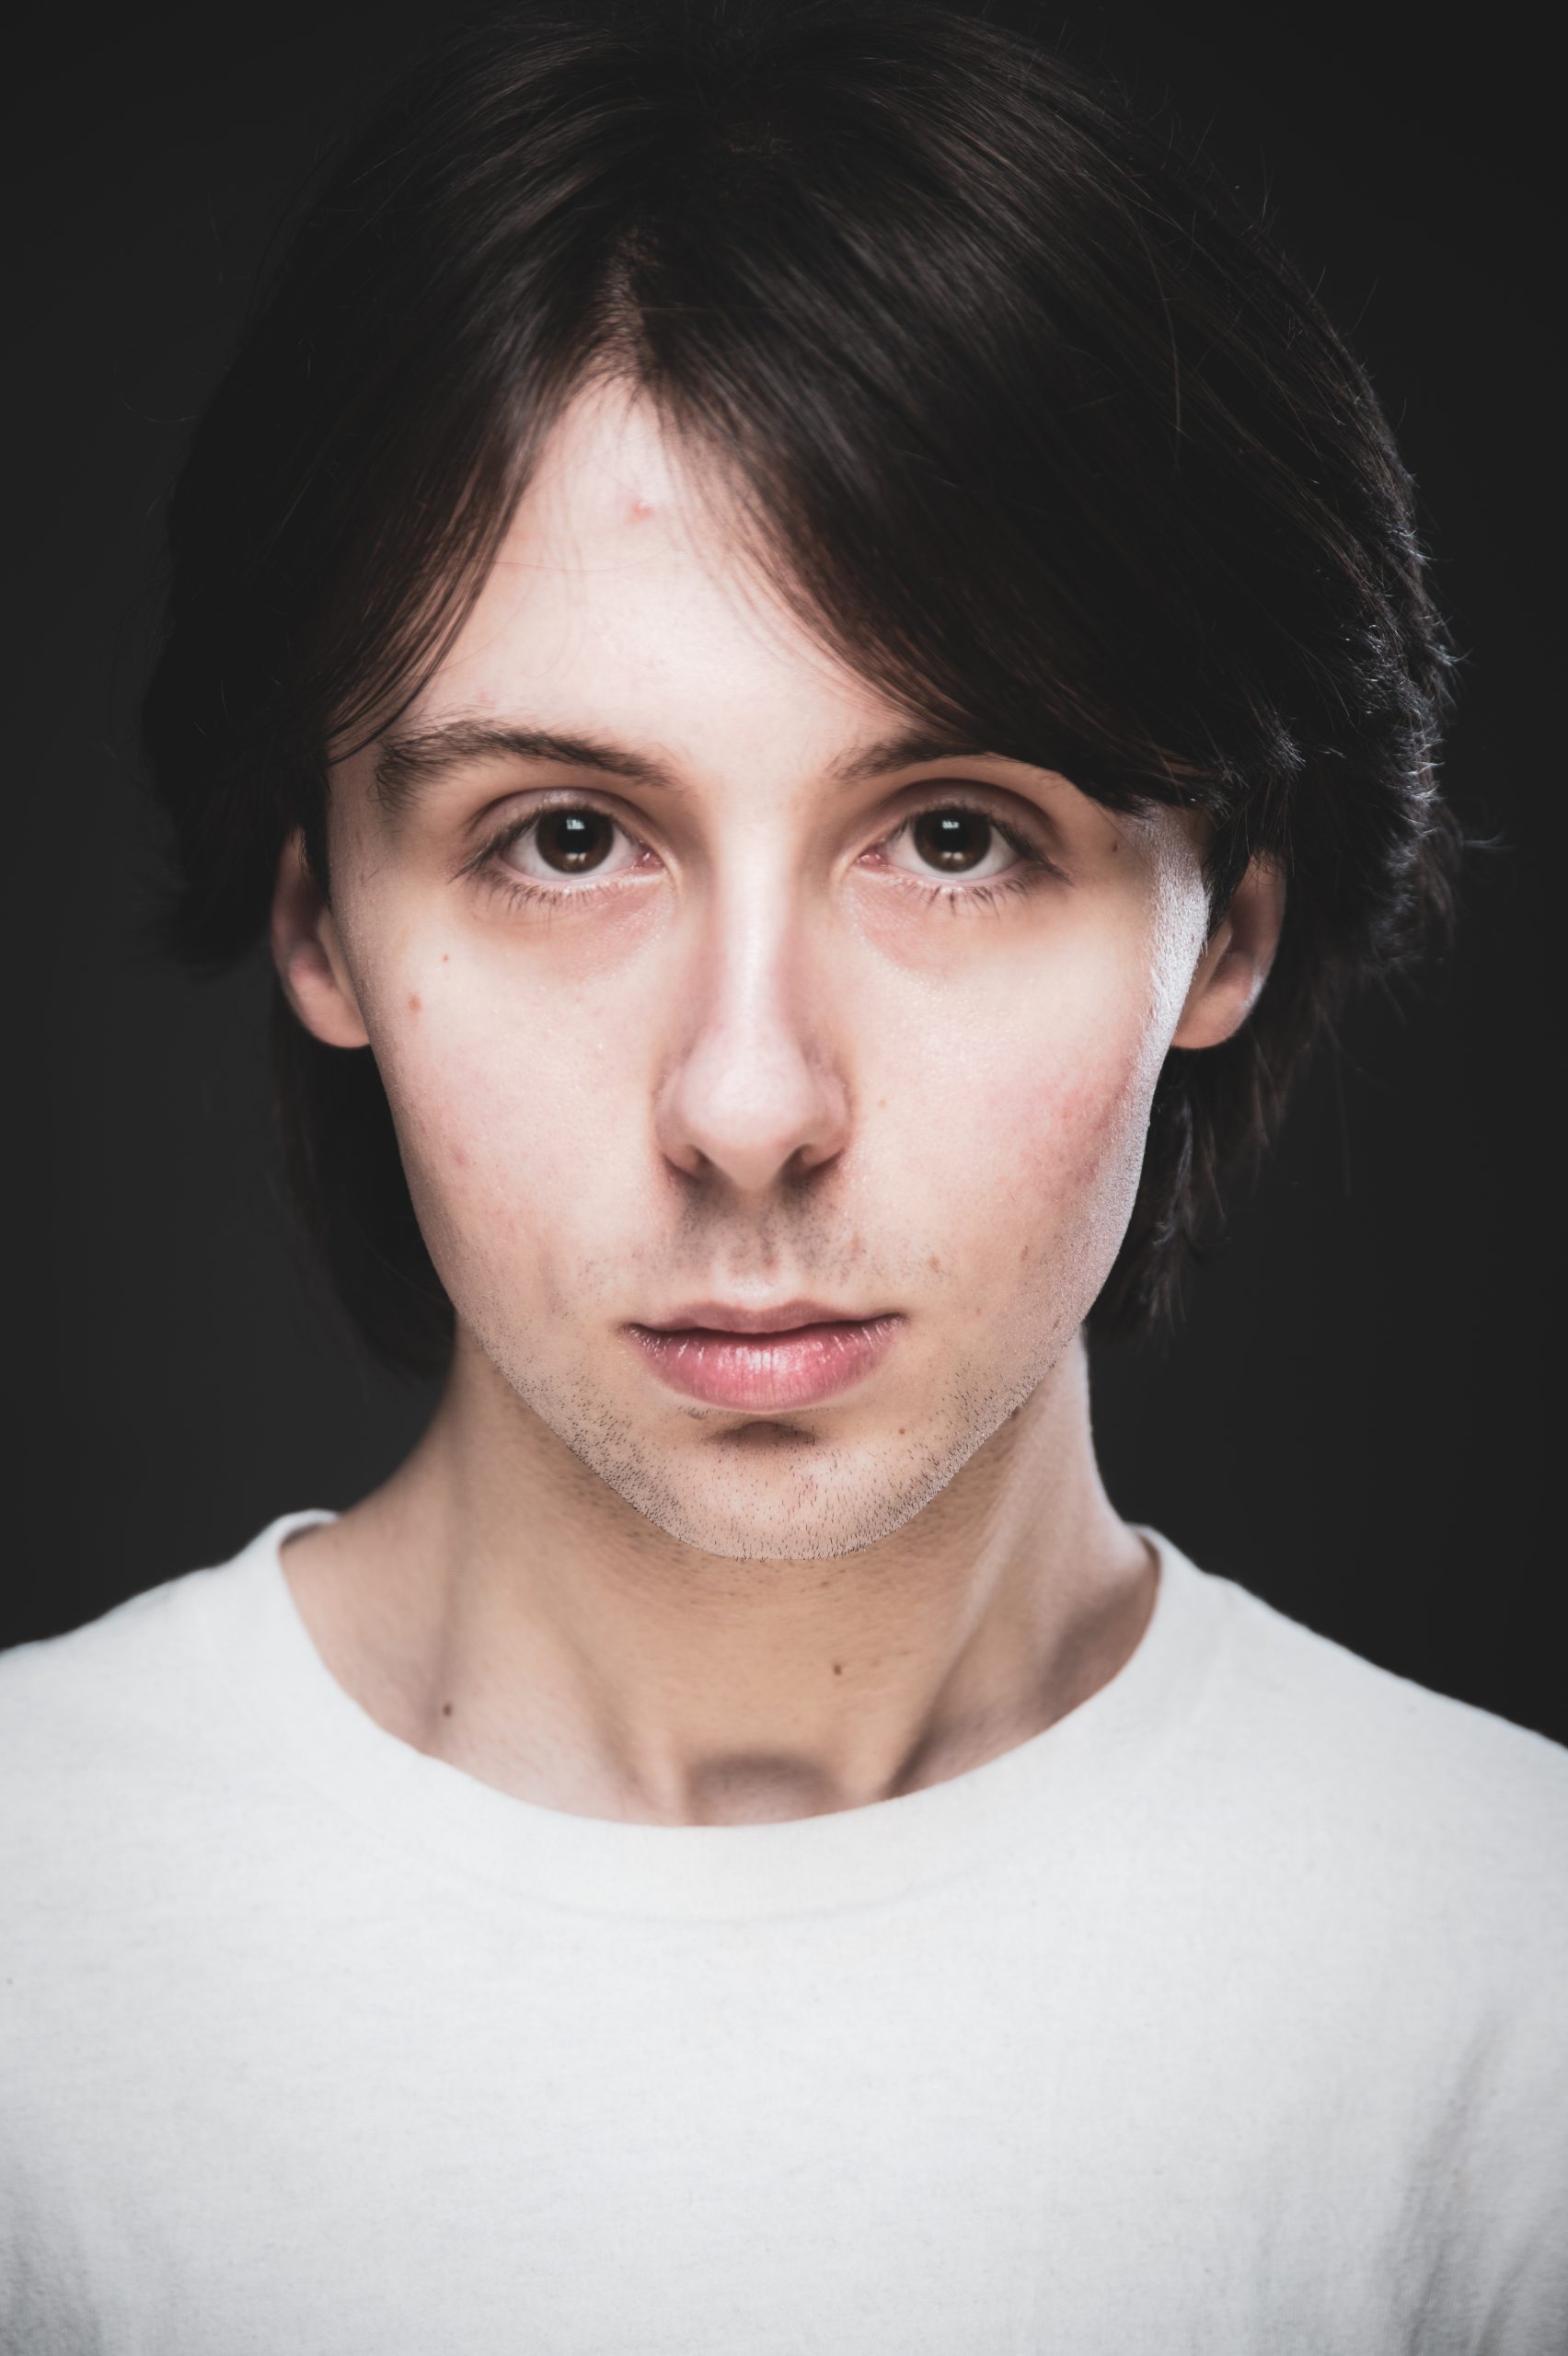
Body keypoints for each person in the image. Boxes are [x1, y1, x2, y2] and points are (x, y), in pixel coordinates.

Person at [3, 2, 1563, 2348]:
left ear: (1229, 916)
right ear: (315, 905)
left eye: (955, 837)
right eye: (562, 836)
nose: (749, 1104)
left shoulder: (1510, 1987)